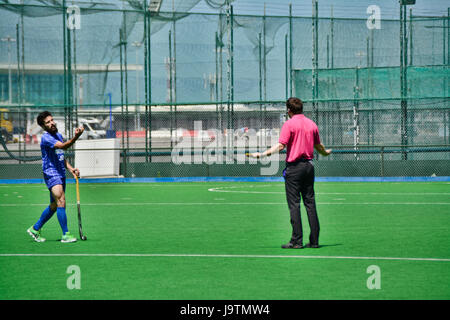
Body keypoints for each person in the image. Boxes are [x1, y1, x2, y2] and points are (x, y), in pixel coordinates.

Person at [248, 97, 331, 249]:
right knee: (310, 203)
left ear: (288, 110)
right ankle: (314, 241)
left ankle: (296, 241)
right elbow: (319, 146)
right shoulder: (311, 124)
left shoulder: (289, 124)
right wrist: (326, 153)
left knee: (294, 204)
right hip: (309, 167)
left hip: (294, 168)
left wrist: (261, 154)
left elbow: (281, 146)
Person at [27, 111, 84, 243]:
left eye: (52, 120)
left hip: (60, 172)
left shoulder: (58, 135)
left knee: (54, 205)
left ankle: (35, 229)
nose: (52, 123)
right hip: (51, 173)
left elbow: (60, 155)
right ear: (43, 126)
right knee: (61, 201)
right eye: (48, 122)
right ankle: (66, 234)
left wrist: (71, 169)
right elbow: (63, 146)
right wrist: (76, 137)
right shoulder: (46, 138)